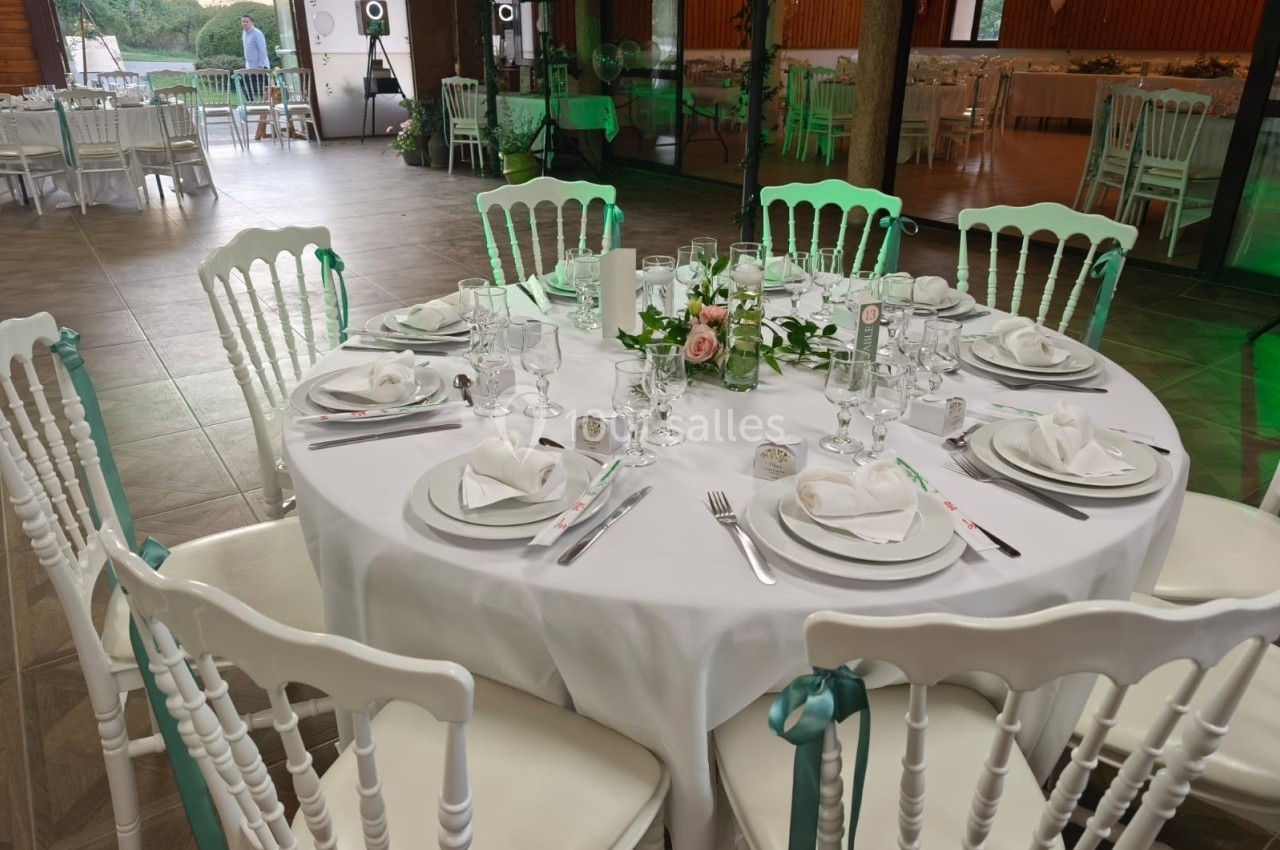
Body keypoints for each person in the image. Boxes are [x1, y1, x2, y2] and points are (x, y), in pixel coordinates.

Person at [240, 14, 269, 100]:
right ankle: (251, 103)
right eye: (243, 21)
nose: (244, 23)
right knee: (247, 84)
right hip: (250, 66)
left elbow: (263, 50)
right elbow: (246, 49)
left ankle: (269, 103)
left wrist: (261, 65)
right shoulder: (244, 33)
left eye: (246, 21)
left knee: (266, 86)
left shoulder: (257, 33)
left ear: (252, 22)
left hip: (260, 66)